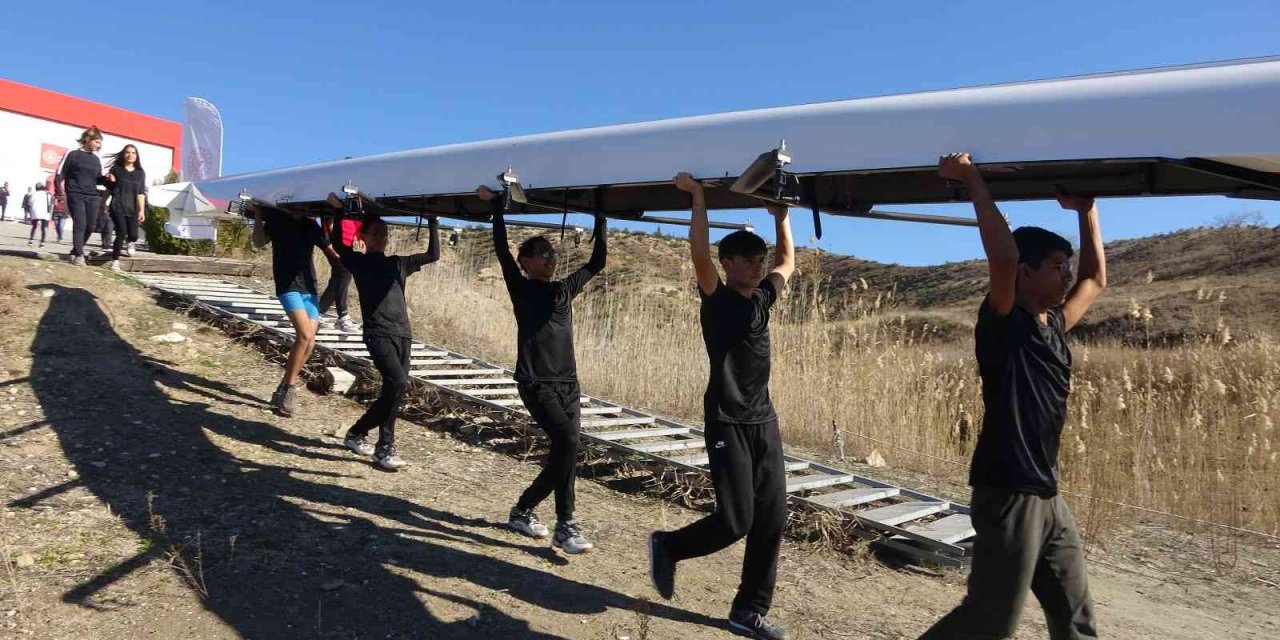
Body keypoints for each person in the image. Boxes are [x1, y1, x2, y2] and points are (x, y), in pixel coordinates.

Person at [917, 153, 1106, 640]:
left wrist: (1086, 212)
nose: (1066, 275)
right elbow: (1000, 257)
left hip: (1047, 494)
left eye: (1066, 266)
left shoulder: (1056, 326)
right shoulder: (1004, 322)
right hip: (1007, 492)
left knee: (1074, 613)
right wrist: (972, 179)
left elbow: (1096, 280)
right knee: (990, 620)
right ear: (1025, 273)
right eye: (1056, 267)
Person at [648, 173, 794, 640]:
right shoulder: (716, 299)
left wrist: (782, 219)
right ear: (728, 263)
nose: (757, 265)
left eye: (758, 259)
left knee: (771, 519)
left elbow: (788, 263)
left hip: (763, 420)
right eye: (747, 259)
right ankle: (670, 546)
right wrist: (698, 198)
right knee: (736, 520)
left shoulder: (762, 300)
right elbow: (697, 253)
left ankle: (748, 611)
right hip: (726, 419)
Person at [477, 184, 606, 556]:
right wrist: (498, 210)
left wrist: (601, 218)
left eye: (552, 253)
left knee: (565, 449)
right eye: (542, 254)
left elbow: (596, 264)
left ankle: (548, 519)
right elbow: (502, 250)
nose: (550, 258)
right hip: (536, 383)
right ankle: (545, 515)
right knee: (567, 443)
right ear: (526, 262)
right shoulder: (520, 287)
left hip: (569, 384)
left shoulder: (564, 290)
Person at [330, 211, 440, 470]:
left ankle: (363, 435)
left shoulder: (398, 264)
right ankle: (381, 445)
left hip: (403, 333)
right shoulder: (358, 262)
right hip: (377, 333)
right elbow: (336, 243)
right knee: (398, 383)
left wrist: (433, 223)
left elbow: (433, 255)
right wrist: (337, 211)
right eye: (375, 233)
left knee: (396, 391)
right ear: (364, 237)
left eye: (384, 234)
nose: (381, 238)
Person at [251, 205, 339, 416]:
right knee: (304, 335)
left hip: (309, 288)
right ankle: (289, 388)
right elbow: (259, 242)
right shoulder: (277, 220)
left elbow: (332, 252)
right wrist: (258, 216)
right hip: (287, 285)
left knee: (310, 341)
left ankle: (282, 388)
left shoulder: (310, 225)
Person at [55, 126, 107, 266]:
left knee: (90, 226)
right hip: (75, 194)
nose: (99, 145)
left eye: (100, 142)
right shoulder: (73, 154)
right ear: (87, 139)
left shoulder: (96, 159)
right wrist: (59, 190)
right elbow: (61, 173)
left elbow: (98, 179)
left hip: (92, 195)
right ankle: (79, 255)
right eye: (97, 141)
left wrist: (107, 179)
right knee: (80, 224)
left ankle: (74, 251)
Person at [102, 144, 148, 271]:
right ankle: (115, 261)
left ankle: (130, 242)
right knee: (121, 232)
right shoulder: (116, 169)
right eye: (127, 152)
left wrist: (141, 210)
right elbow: (109, 189)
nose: (130, 155)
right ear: (123, 154)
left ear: (137, 156)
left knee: (133, 235)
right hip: (117, 205)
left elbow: (140, 193)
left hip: (132, 208)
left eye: (133, 153)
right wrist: (102, 204)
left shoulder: (140, 173)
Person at [319, 215, 362, 333]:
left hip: (348, 242)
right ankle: (343, 316)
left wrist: (359, 236)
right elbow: (329, 219)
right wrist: (329, 242)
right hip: (337, 242)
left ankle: (318, 312)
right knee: (344, 273)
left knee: (338, 278)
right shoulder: (340, 204)